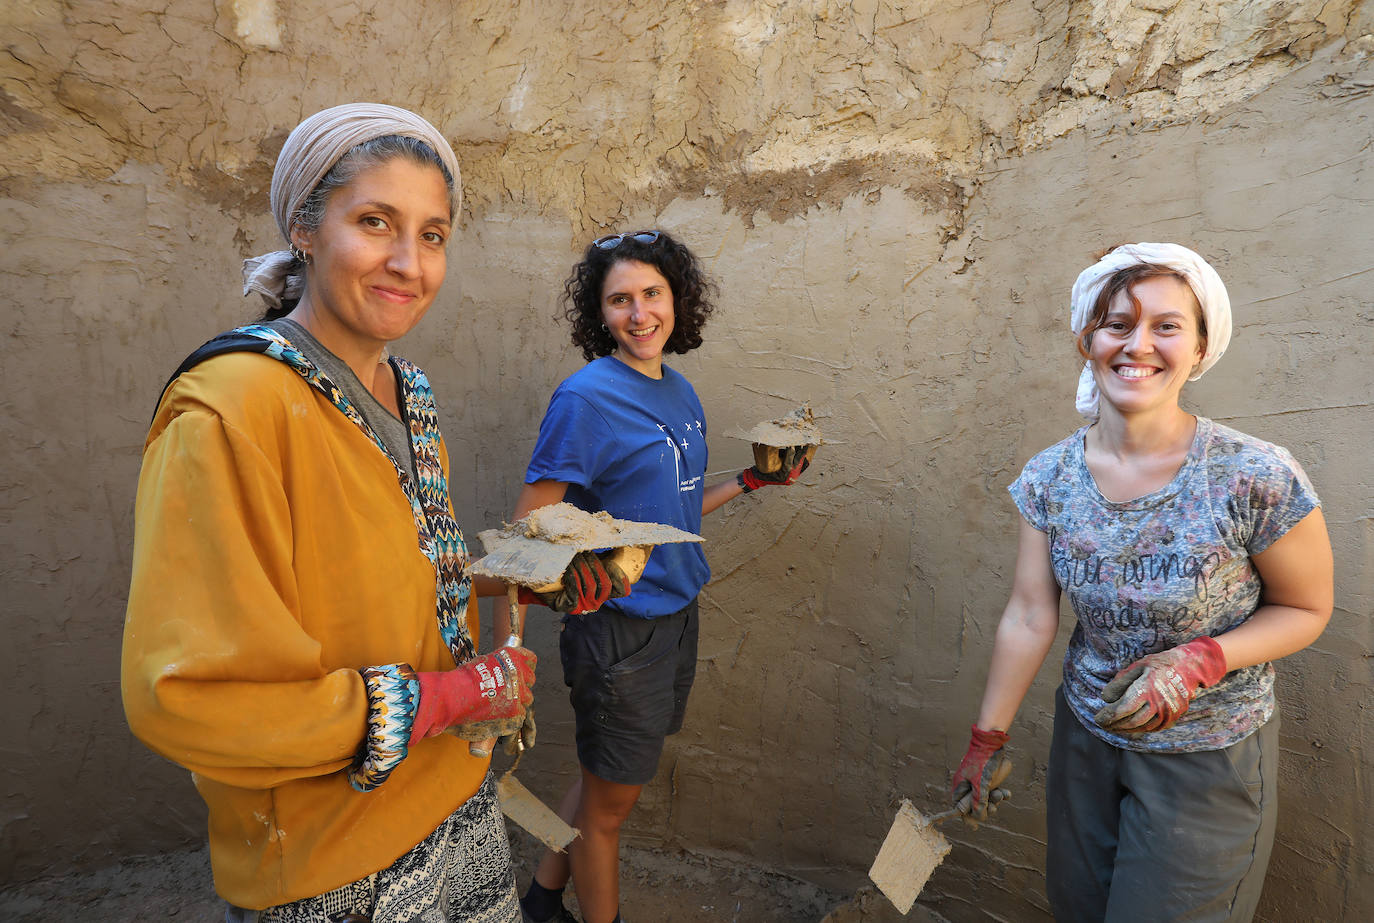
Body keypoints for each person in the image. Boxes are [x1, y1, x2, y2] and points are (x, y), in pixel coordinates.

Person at [122, 103, 539, 922]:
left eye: (433, 234)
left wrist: (527, 582)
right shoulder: (231, 409)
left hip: (456, 797)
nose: (407, 262)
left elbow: (391, 565)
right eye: (375, 221)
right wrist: (454, 697)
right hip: (335, 860)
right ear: (306, 229)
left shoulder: (408, 392)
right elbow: (186, 696)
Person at [950, 243, 1334, 921]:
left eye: (1166, 325)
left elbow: (1306, 606)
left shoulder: (1255, 474)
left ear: (1200, 344)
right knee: (1079, 907)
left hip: (1207, 758)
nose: (1139, 344)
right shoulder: (1049, 477)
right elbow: (1030, 614)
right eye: (1117, 323)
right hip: (1088, 742)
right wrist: (987, 739)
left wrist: (1202, 658)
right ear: (1087, 340)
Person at [508, 230, 813, 923]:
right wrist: (518, 639)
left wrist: (748, 481)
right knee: (611, 812)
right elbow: (529, 526)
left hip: (675, 614)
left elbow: (668, 510)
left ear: (678, 299)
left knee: (601, 784)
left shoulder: (678, 391)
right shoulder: (586, 399)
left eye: (652, 293)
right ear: (600, 312)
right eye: (620, 299)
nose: (639, 313)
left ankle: (542, 895)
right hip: (620, 628)